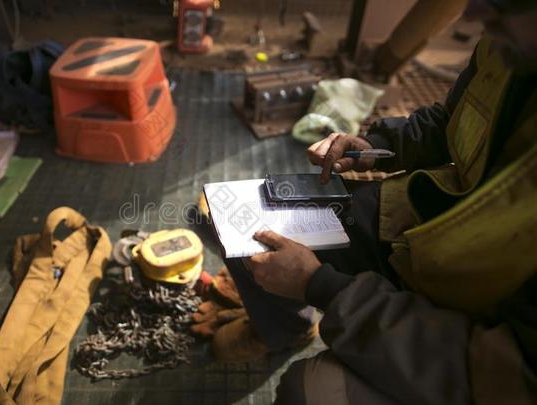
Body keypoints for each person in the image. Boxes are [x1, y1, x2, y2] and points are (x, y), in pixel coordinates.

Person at [210, 0, 537, 404]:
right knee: (240, 225)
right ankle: (285, 330)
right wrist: (376, 146)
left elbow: (501, 377)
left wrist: (321, 286)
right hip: (430, 226)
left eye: (511, 4)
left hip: (480, 333)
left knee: (305, 390)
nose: (472, 17)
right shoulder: (506, 42)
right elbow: (451, 120)